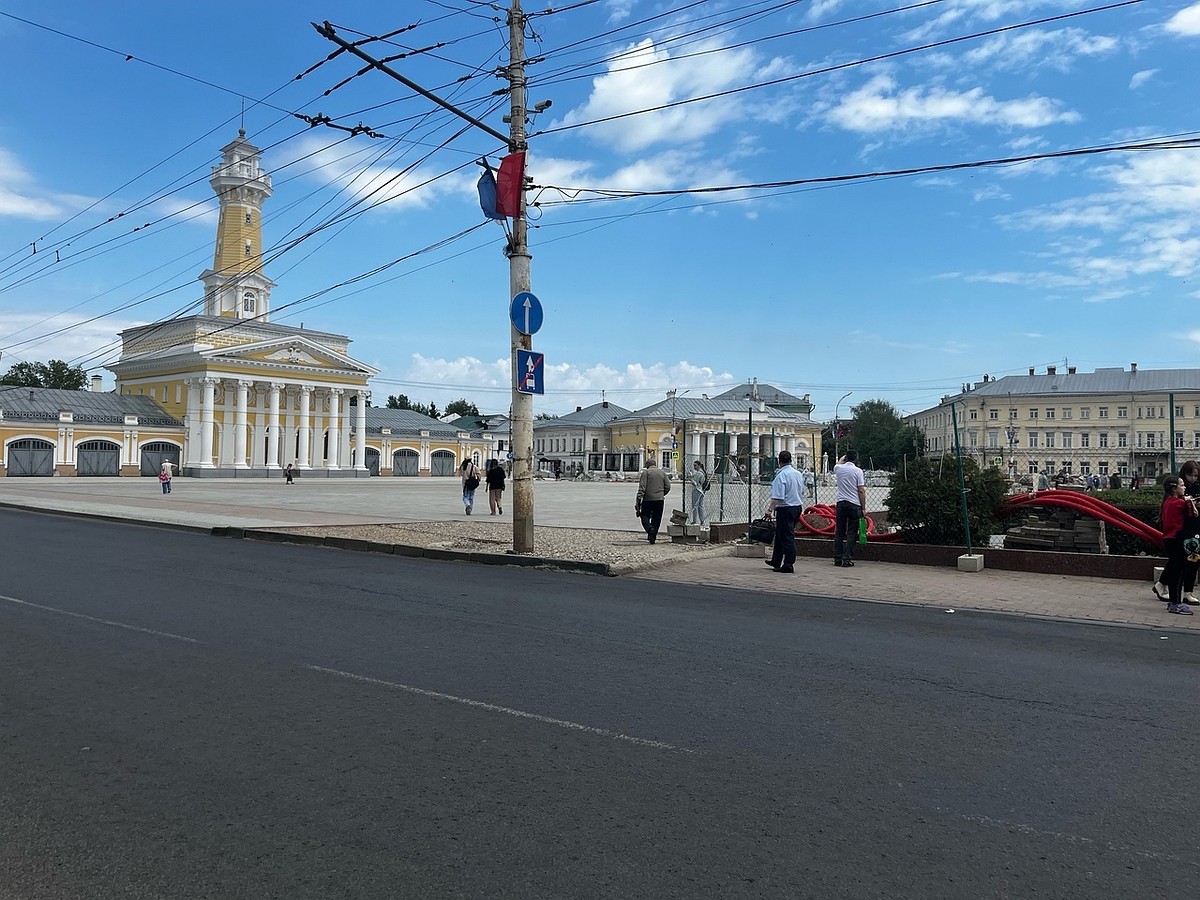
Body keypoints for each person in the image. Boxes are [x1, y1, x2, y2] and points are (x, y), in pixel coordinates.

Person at [1155, 460, 1200, 605]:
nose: (1193, 479)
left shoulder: (1182, 494)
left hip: (1189, 530)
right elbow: (1186, 507)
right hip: (1183, 533)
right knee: (1180, 562)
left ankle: (1184, 593)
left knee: (1189, 560)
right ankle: (1175, 599)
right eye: (1190, 476)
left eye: (1196, 476)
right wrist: (1191, 503)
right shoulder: (1178, 498)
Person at [764, 450, 806, 574]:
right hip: (797, 506)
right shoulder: (798, 474)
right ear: (791, 460)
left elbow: (777, 496)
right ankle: (776, 560)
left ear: (779, 461)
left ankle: (789, 563)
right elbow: (802, 491)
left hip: (785, 508)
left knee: (787, 535)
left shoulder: (781, 476)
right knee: (781, 534)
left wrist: (769, 510)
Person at [833, 450, 867, 567]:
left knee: (839, 531)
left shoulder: (838, 469)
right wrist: (863, 507)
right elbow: (861, 490)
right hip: (854, 504)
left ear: (846, 457)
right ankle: (847, 559)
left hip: (841, 503)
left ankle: (837, 558)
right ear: (856, 459)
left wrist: (843, 458)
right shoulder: (858, 471)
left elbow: (838, 463)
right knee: (852, 532)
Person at [635, 457, 671, 544]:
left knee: (645, 516)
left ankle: (649, 529)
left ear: (648, 464)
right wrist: (661, 494)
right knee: (657, 518)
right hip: (659, 499)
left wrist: (638, 500)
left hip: (648, 499)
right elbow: (668, 486)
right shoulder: (662, 473)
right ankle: (653, 536)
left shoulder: (646, 473)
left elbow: (642, 487)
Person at [689, 460, 708, 525]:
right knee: (700, 506)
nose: (694, 467)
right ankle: (702, 520)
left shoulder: (698, 473)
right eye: (694, 465)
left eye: (695, 465)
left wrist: (691, 478)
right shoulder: (703, 472)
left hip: (697, 490)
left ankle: (694, 520)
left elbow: (695, 483)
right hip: (702, 491)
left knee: (695, 506)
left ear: (699, 466)